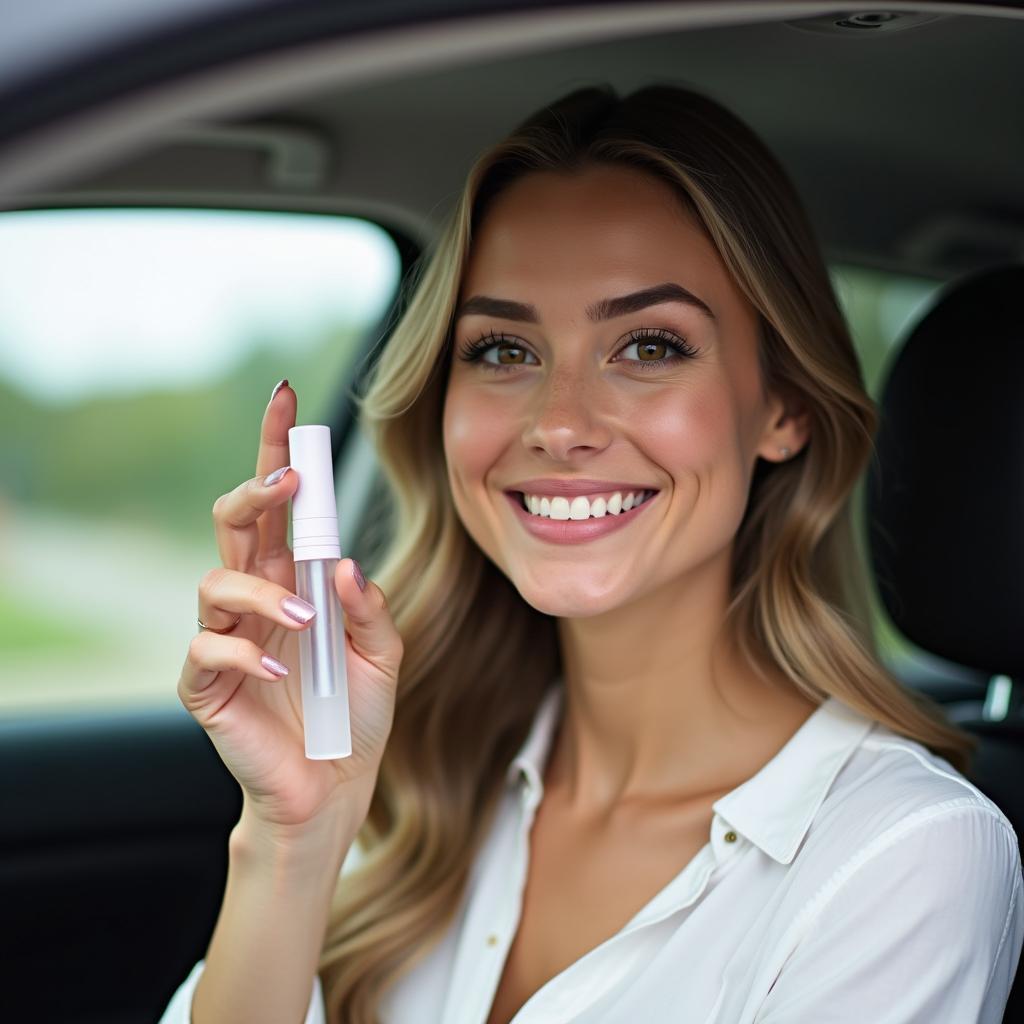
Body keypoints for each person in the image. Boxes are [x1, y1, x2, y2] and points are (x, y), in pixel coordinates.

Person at [159, 83, 1023, 1024]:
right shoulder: (413, 774)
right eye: (501, 351)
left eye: (649, 345)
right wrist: (294, 840)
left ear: (784, 408)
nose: (560, 424)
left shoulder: (902, 856)